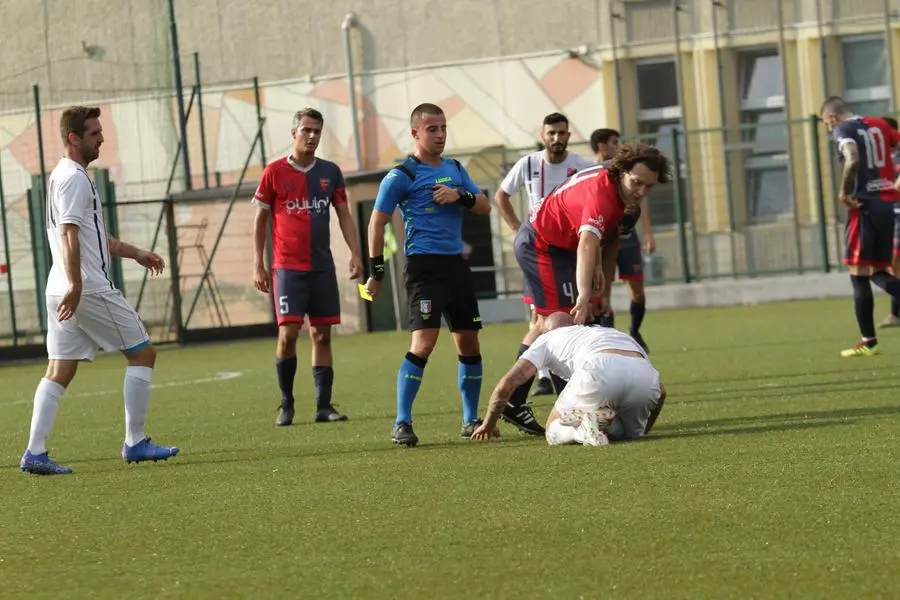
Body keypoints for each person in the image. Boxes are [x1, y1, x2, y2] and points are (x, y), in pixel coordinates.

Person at [20, 106, 178, 475]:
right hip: (87, 290)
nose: (101, 138)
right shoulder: (74, 178)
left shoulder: (62, 176)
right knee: (143, 354)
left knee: (59, 369)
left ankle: (35, 452)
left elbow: (91, 235)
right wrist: (78, 284)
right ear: (73, 138)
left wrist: (136, 252)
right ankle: (135, 442)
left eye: (100, 131)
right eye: (93, 133)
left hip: (59, 289)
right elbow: (69, 233)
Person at [501, 142, 669, 417]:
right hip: (541, 244)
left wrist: (601, 278)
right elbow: (587, 243)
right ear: (622, 170)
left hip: (561, 248)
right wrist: (582, 295)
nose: (641, 192)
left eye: (648, 187)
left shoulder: (619, 190)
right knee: (558, 324)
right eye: (637, 183)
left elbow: (610, 239)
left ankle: (568, 404)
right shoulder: (601, 193)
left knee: (568, 322)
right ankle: (521, 404)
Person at [365, 102, 492, 447]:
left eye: (443, 128)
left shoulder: (455, 168)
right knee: (424, 342)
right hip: (424, 268)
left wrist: (459, 195)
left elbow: (484, 205)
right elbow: (376, 223)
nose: (439, 135)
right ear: (415, 133)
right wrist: (374, 273)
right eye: (432, 129)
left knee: (469, 342)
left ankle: (470, 419)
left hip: (456, 267)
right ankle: (402, 422)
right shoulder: (401, 175)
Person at [252, 107, 364, 426]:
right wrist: (257, 264)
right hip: (287, 268)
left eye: (317, 131)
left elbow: (343, 214)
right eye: (306, 130)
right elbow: (260, 220)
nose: (312, 136)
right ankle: (286, 404)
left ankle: (323, 406)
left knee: (322, 335)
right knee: (288, 334)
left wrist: (356, 253)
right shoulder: (273, 172)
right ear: (294, 133)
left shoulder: (330, 172)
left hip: (322, 268)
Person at [493, 113, 595, 433]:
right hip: (541, 250)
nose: (556, 138)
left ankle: (531, 390)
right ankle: (542, 390)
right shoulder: (528, 164)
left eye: (562, 132)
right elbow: (501, 196)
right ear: (542, 134)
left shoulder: (581, 165)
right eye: (551, 133)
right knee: (552, 320)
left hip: (564, 251)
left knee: (543, 321)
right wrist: (515, 229)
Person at [471, 312, 666, 445]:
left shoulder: (546, 339)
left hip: (599, 369)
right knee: (625, 436)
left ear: (547, 330)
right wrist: (642, 429)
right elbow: (661, 392)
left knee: (552, 429)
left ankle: (582, 431)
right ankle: (602, 423)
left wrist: (489, 424)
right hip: (644, 379)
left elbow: (507, 385)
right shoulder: (612, 332)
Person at [820, 97, 900, 356]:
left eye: (825, 123)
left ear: (831, 118)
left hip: (862, 206)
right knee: (877, 271)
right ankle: (869, 341)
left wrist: (844, 192)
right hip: (886, 205)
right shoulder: (880, 124)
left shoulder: (843, 130)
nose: (828, 129)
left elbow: (852, 159)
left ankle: (868, 341)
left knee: (858, 274)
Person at [589, 128, 656, 352]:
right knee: (602, 291)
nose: (619, 146)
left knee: (637, 290)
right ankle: (609, 339)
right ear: (601, 146)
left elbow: (641, 201)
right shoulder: (592, 171)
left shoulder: (627, 171)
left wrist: (647, 232)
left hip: (627, 236)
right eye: (614, 142)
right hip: (603, 237)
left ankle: (635, 331)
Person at [879, 116, 900, 328]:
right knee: (894, 265)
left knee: (894, 263)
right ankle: (895, 314)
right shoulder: (885, 159)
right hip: (891, 215)